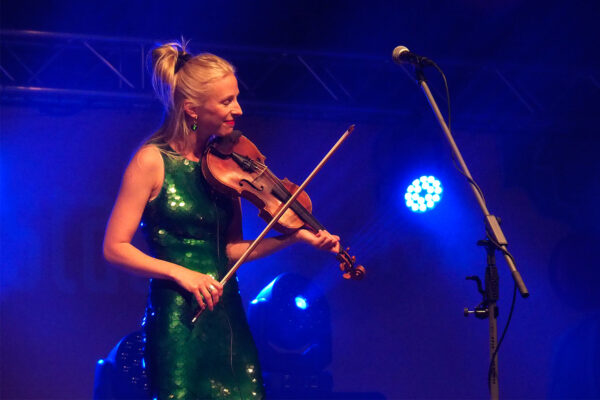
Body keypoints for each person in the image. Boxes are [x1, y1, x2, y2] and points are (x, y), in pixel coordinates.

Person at [102, 41, 340, 399]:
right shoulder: (151, 162)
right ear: (191, 109)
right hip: (179, 319)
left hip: (227, 314)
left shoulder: (225, 168)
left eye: (236, 98)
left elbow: (231, 251)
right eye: (227, 101)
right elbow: (114, 248)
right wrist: (181, 272)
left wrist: (293, 236)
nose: (238, 109)